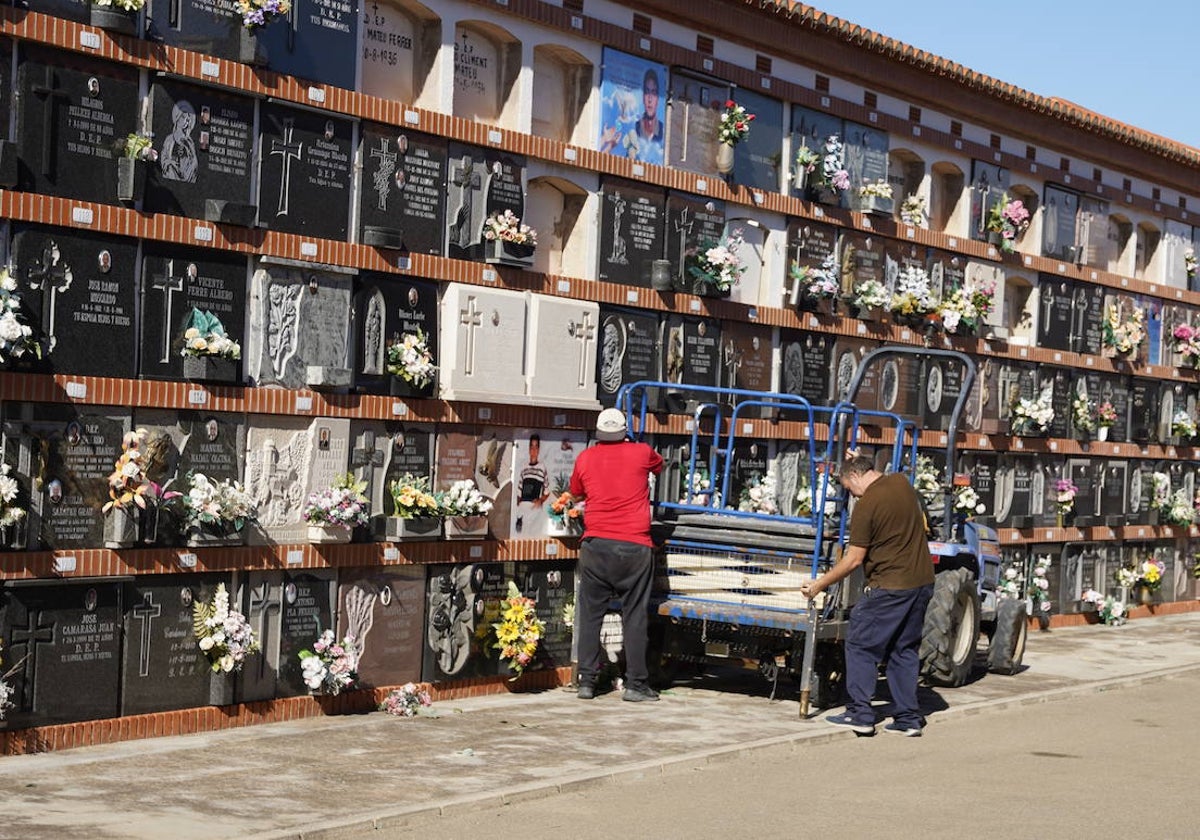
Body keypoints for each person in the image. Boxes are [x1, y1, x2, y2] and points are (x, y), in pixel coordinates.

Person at [799, 454, 934, 736]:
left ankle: (860, 714)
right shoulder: (900, 483)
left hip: (890, 586)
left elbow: (853, 560)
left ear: (856, 476)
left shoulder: (867, 506)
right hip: (921, 583)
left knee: (860, 643)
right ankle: (908, 719)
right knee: (903, 649)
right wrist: (857, 455)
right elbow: (876, 469)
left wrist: (818, 585)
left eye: (848, 486)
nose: (851, 493)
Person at [568, 408, 663, 702]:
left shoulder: (585, 457)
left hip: (595, 546)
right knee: (634, 615)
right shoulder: (642, 451)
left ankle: (586, 681)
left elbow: (576, 492)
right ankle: (635, 684)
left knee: (590, 614)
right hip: (634, 547)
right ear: (624, 431)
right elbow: (659, 467)